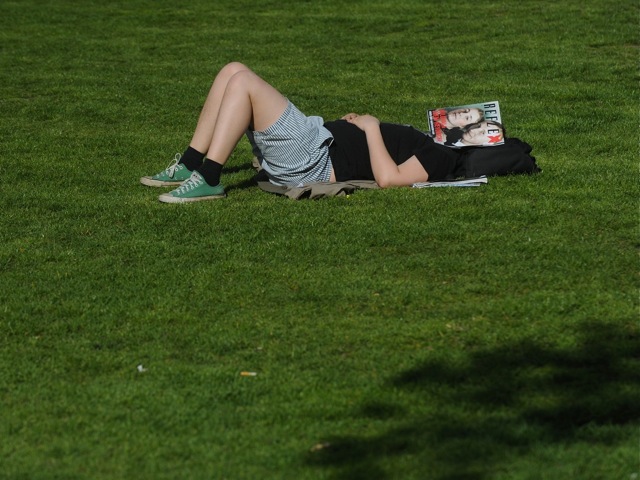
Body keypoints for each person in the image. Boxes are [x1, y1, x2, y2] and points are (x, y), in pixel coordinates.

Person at [141, 62, 463, 203]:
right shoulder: (427, 139)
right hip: (314, 139)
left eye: (468, 119)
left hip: (313, 160)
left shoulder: (440, 154)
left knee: (243, 83)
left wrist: (370, 127)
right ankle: (191, 162)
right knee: (232, 70)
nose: (458, 116)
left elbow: (389, 179)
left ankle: (210, 178)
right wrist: (354, 125)